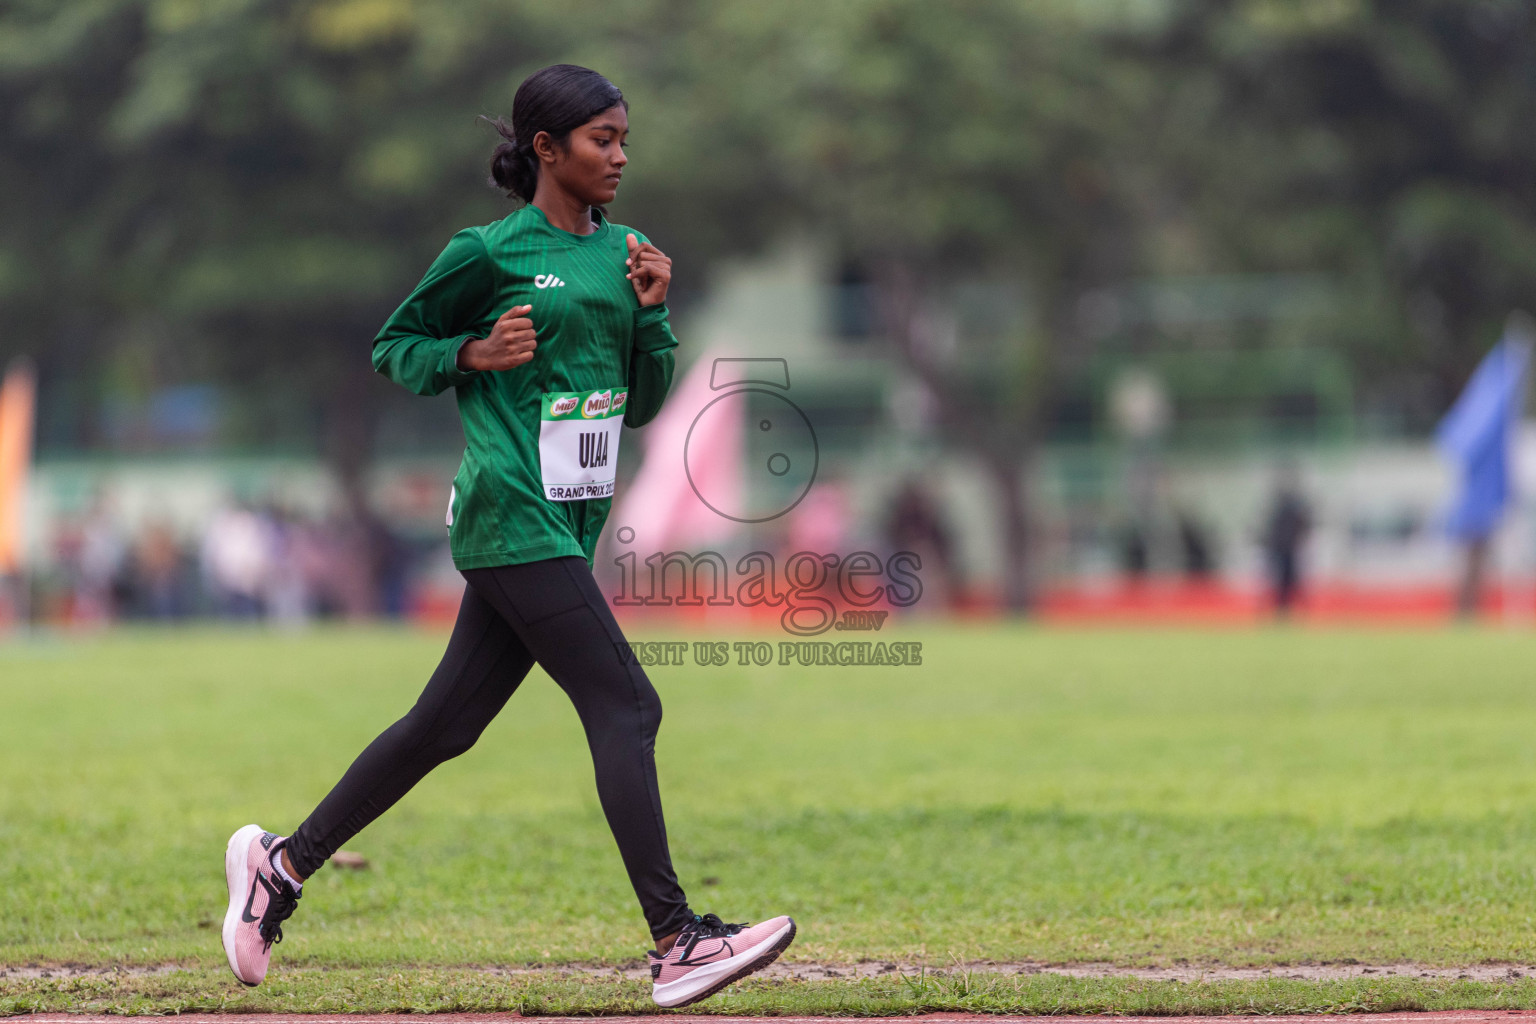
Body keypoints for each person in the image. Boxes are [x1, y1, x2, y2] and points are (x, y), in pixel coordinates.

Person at [219, 65, 795, 1008]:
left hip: (565, 521)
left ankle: (280, 868)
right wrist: (468, 353)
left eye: (622, 138)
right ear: (544, 148)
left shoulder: (625, 254)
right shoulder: (486, 253)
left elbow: (643, 406)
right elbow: (393, 347)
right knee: (628, 705)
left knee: (444, 727)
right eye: (600, 139)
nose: (618, 155)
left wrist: (653, 317)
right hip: (507, 510)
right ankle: (677, 939)